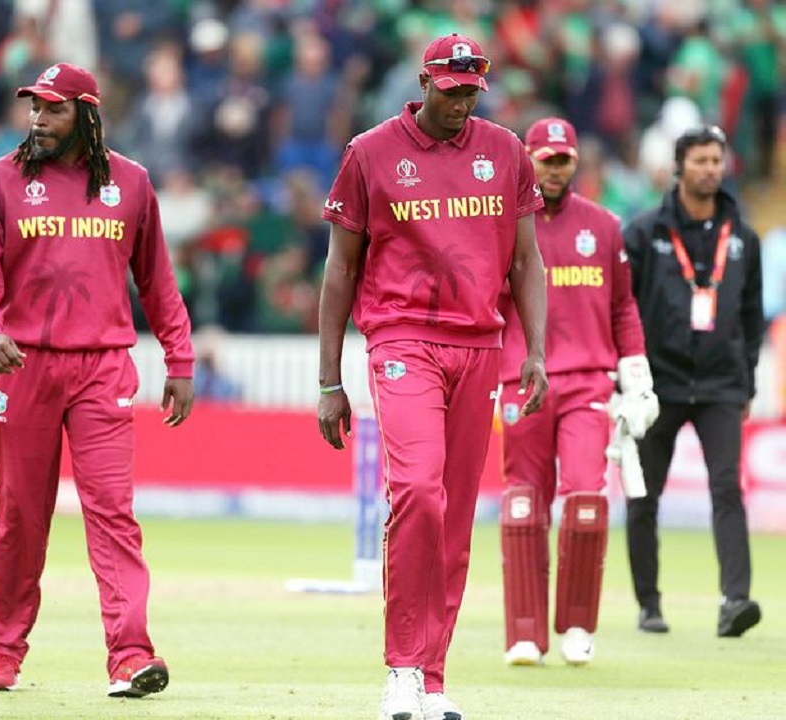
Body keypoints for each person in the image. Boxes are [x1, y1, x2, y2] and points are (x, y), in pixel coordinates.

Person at [317, 34, 548, 720]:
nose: (460, 104)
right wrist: (329, 380)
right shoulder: (370, 152)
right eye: (450, 91)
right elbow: (340, 269)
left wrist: (536, 351)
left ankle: (433, 677)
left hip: (480, 345)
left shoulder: (506, 152)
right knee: (418, 490)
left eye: (471, 92)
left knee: (454, 515)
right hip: (402, 337)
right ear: (423, 83)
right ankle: (401, 670)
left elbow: (526, 262)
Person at [0, 62, 195, 697]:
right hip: (23, 364)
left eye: (53, 108)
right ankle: (4, 650)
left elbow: (158, 281)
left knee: (113, 512)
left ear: (86, 114)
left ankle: (131, 656)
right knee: (19, 515)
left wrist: (180, 360)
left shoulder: (132, 183)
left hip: (103, 366)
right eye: (34, 106)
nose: (38, 118)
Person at [498, 117, 657, 668]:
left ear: (575, 162)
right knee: (524, 503)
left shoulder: (604, 226)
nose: (555, 169)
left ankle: (578, 626)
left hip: (588, 380)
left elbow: (623, 307)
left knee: (587, 500)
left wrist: (636, 372)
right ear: (528, 159)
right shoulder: (505, 224)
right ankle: (524, 633)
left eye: (563, 160)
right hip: (522, 380)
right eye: (546, 159)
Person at [623, 125, 764, 637]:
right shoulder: (645, 233)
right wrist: (627, 378)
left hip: (721, 385)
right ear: (679, 166)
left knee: (728, 489)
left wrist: (747, 382)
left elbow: (750, 316)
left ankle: (735, 602)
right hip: (657, 385)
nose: (710, 169)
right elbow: (623, 308)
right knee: (644, 495)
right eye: (700, 160)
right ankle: (649, 604)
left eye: (716, 160)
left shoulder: (743, 237)